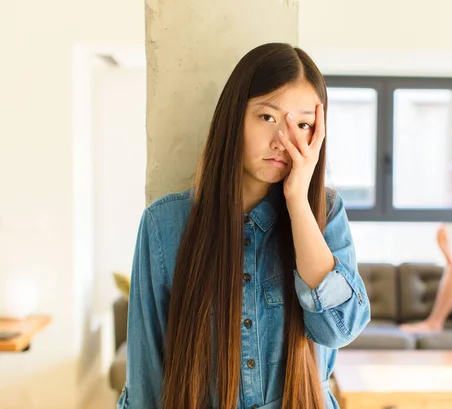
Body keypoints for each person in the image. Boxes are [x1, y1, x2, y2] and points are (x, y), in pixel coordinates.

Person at [118, 43, 371, 409]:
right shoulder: (165, 224)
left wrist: (298, 202)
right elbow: (147, 378)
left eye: (302, 124)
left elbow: (338, 328)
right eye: (267, 117)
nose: (283, 141)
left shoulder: (325, 213)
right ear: (235, 115)